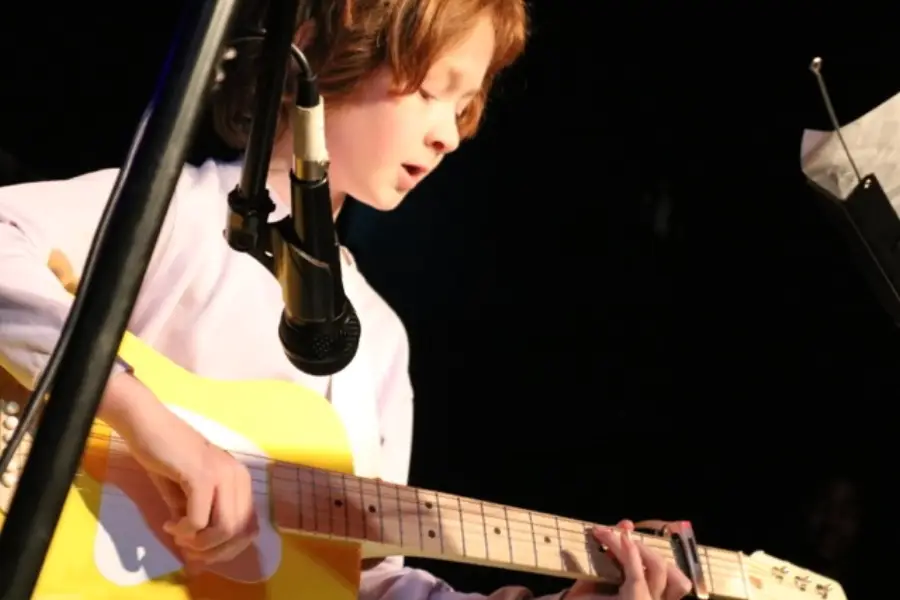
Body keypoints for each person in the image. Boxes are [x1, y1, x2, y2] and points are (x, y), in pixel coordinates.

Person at [0, 1, 691, 599]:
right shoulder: (183, 214)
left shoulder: (379, 341)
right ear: (320, 53)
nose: (451, 134)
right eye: (433, 90)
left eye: (463, 107)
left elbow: (361, 581)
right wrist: (153, 425)